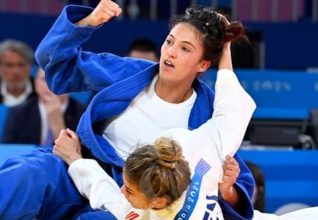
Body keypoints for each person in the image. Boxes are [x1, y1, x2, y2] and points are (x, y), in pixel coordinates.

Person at [0, 1, 255, 219]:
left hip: (135, 197)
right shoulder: (129, 73)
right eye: (169, 41)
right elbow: (56, 63)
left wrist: (229, 190)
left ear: (203, 64)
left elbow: (238, 188)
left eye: (185, 49)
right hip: (79, 161)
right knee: (25, 174)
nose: (171, 53)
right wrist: (88, 22)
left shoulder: (208, 112)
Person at [53, 48, 256, 218]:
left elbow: (106, 193)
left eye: (130, 191)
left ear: (157, 203)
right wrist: (225, 49)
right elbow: (231, 109)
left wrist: (74, 159)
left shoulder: (141, 215)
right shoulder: (201, 146)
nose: (121, 190)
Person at [2, 68, 85, 145]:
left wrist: (57, 123)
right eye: (44, 80)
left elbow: (81, 156)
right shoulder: (18, 113)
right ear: (36, 83)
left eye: (59, 79)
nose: (51, 86)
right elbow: (7, 151)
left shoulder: (84, 114)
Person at [0, 39, 36, 107]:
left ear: (30, 66)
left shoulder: (43, 92)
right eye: (9, 65)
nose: (16, 71)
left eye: (21, 65)